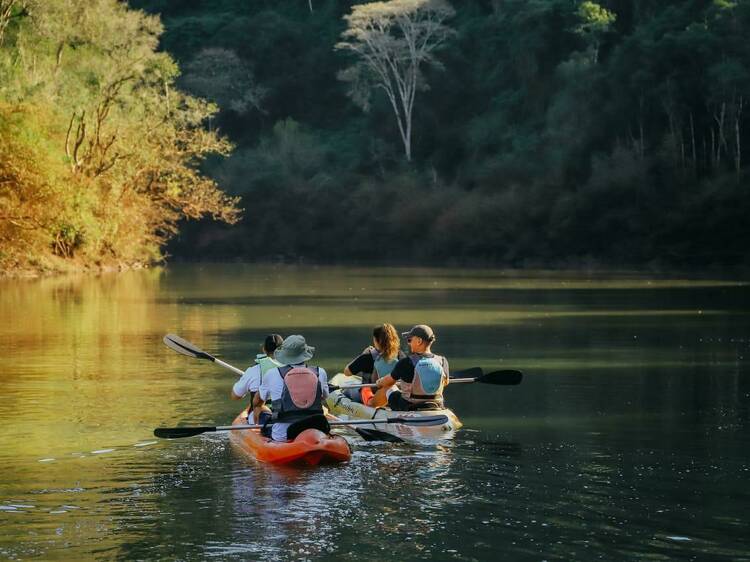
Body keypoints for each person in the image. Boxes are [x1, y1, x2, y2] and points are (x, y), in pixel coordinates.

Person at [254, 335, 330, 442]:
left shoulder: (272, 374)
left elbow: (257, 401)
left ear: (285, 354)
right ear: (305, 353)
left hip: (283, 435)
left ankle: (256, 433)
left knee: (261, 410)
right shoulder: (320, 372)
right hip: (316, 431)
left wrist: (259, 407)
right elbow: (324, 397)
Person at [373, 324, 449, 411]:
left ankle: (371, 407)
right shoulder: (442, 361)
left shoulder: (406, 362)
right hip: (437, 403)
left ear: (419, 341)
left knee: (390, 387)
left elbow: (388, 381)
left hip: (409, 405)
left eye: (410, 340)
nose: (409, 343)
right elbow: (446, 382)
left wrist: (379, 382)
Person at [343, 323, 405, 406]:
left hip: (373, 394)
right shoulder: (400, 355)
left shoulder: (367, 356)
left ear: (376, 340)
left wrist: (362, 355)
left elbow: (347, 372)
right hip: (394, 391)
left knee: (347, 390)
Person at [231, 334, 284, 423]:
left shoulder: (253, 370)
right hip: (287, 415)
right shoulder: (292, 368)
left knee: (257, 407)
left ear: (264, 349)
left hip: (260, 417)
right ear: (284, 351)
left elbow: (235, 396)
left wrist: (246, 384)